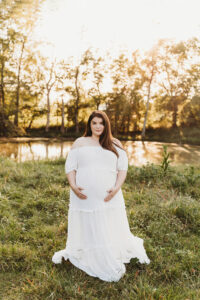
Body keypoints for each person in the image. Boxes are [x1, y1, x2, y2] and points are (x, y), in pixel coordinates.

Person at [52, 110, 150, 282]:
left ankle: (107, 249)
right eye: (94, 123)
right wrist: (74, 186)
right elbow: (70, 167)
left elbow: (122, 169)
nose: (98, 126)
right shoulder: (80, 142)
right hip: (84, 196)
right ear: (89, 125)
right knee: (88, 222)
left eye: (101, 123)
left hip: (109, 196)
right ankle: (90, 249)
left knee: (107, 221)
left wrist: (116, 188)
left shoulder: (115, 143)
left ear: (106, 125)